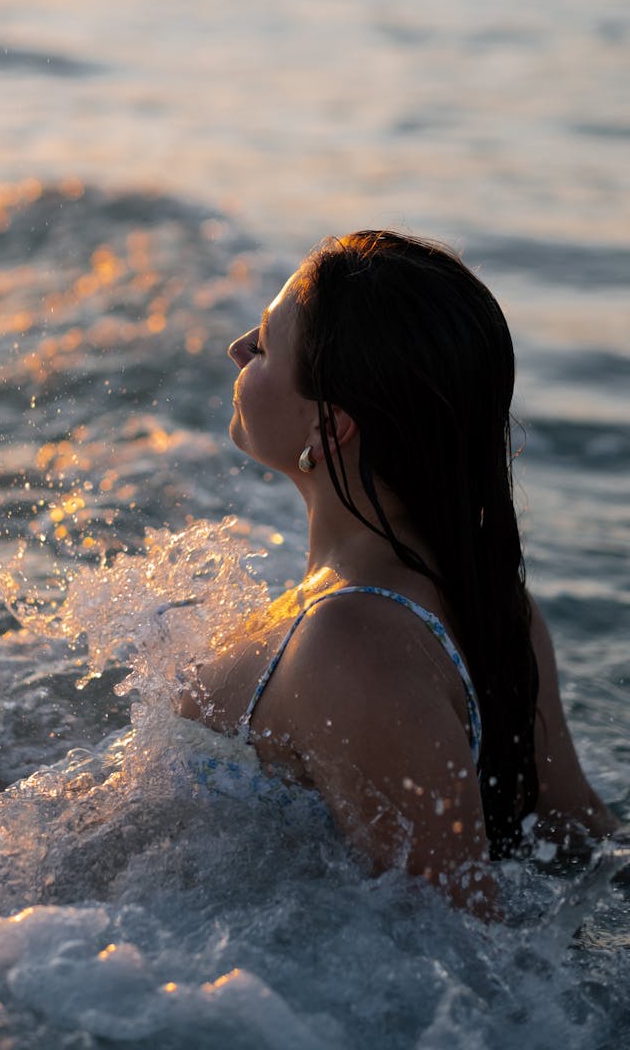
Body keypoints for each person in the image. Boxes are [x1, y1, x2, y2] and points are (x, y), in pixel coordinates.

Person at [180, 231, 618, 916]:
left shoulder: (355, 645)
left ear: (329, 432)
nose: (239, 349)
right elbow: (578, 832)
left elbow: (457, 945)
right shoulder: (486, 595)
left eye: (264, 346)